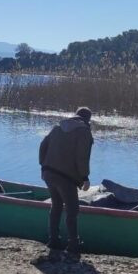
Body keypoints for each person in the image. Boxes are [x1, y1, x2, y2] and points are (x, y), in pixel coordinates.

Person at [38, 107, 93, 262]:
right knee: (72, 210)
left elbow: (42, 146)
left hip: (48, 172)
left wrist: (44, 163)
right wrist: (85, 177)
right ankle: (73, 244)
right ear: (88, 120)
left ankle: (54, 240)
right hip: (65, 177)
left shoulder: (57, 127)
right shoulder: (84, 132)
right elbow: (82, 157)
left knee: (56, 205)